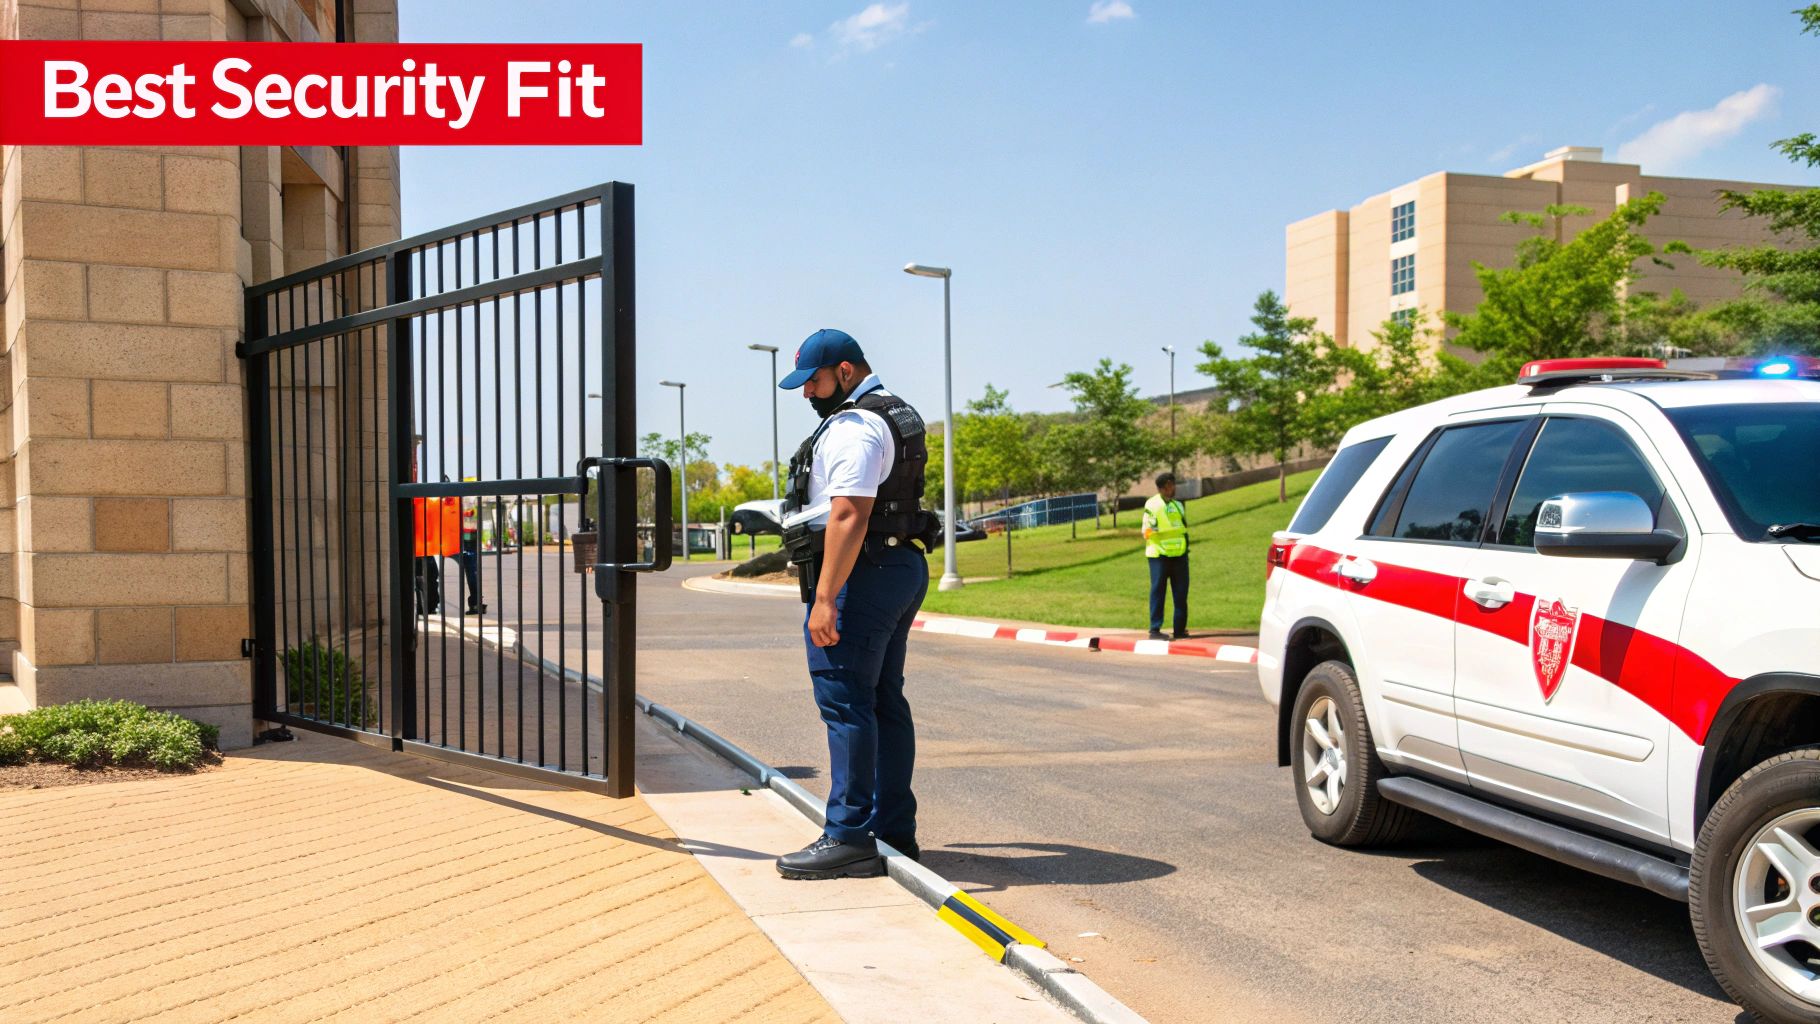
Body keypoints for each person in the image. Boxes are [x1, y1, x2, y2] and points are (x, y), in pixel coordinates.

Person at [774, 328, 936, 880]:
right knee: (883, 700)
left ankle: (848, 836)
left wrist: (824, 600)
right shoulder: (896, 412)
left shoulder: (856, 427)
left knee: (846, 702)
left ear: (845, 372)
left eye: (814, 382)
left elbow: (848, 513)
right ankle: (893, 830)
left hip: (862, 573)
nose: (807, 394)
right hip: (896, 565)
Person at [1143, 471, 1189, 641]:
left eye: (1174, 484)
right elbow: (1147, 532)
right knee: (1158, 591)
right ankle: (1155, 630)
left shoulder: (1178, 505)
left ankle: (1180, 630)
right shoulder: (1152, 505)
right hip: (1159, 555)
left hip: (1179, 555)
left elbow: (1183, 530)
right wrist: (1163, 532)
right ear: (1163, 487)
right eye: (1170, 485)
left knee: (1181, 593)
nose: (1173, 488)